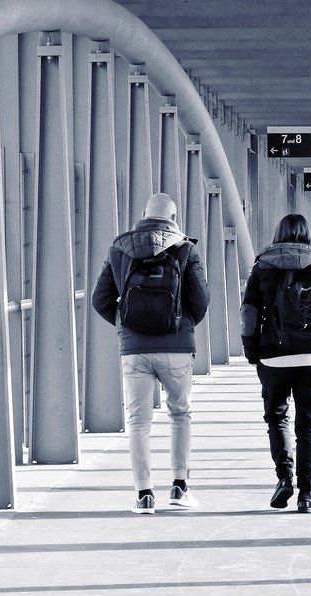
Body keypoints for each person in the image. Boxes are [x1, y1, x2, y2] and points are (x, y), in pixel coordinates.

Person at [91, 192, 209, 514]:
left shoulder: (120, 247)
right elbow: (200, 301)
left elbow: (100, 298)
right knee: (180, 414)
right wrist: (181, 324)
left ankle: (144, 495)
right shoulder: (185, 248)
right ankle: (179, 488)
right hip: (177, 348)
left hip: (134, 349)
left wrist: (124, 322)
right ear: (173, 219)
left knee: (138, 422)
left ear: (143, 215)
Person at [240, 213, 311, 513]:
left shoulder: (263, 266)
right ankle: (306, 493)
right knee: (308, 428)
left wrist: (251, 350)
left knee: (277, 418)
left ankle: (284, 478)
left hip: (273, 357)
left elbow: (249, 312)